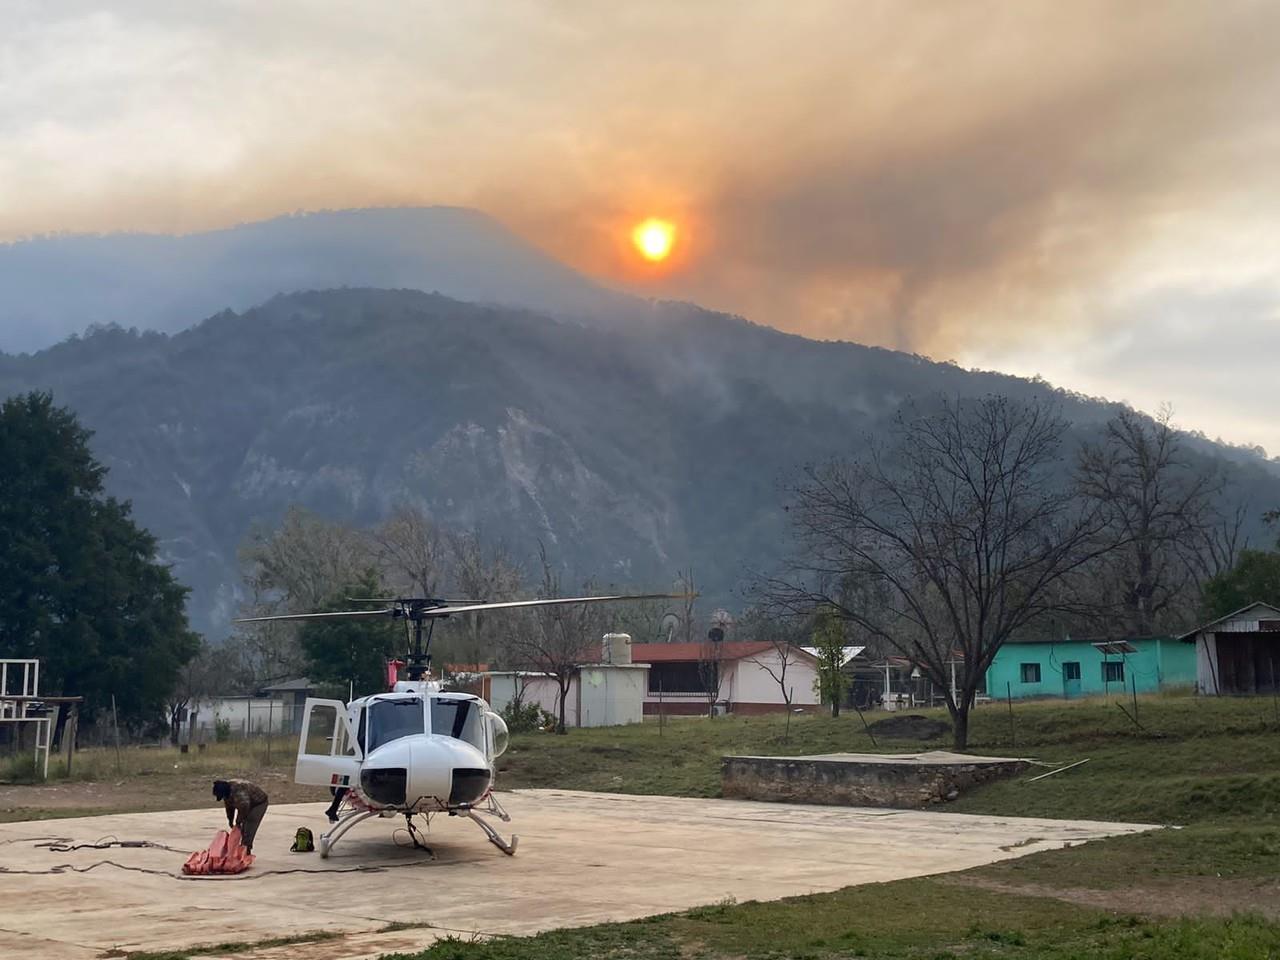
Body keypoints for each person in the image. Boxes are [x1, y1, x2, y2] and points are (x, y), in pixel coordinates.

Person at [212, 779, 269, 852]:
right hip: (247, 802)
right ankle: (241, 847)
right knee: (242, 827)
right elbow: (229, 808)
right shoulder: (227, 792)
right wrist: (230, 820)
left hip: (259, 803)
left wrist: (238, 821)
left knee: (249, 824)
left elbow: (244, 807)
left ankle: (246, 849)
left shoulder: (239, 792)